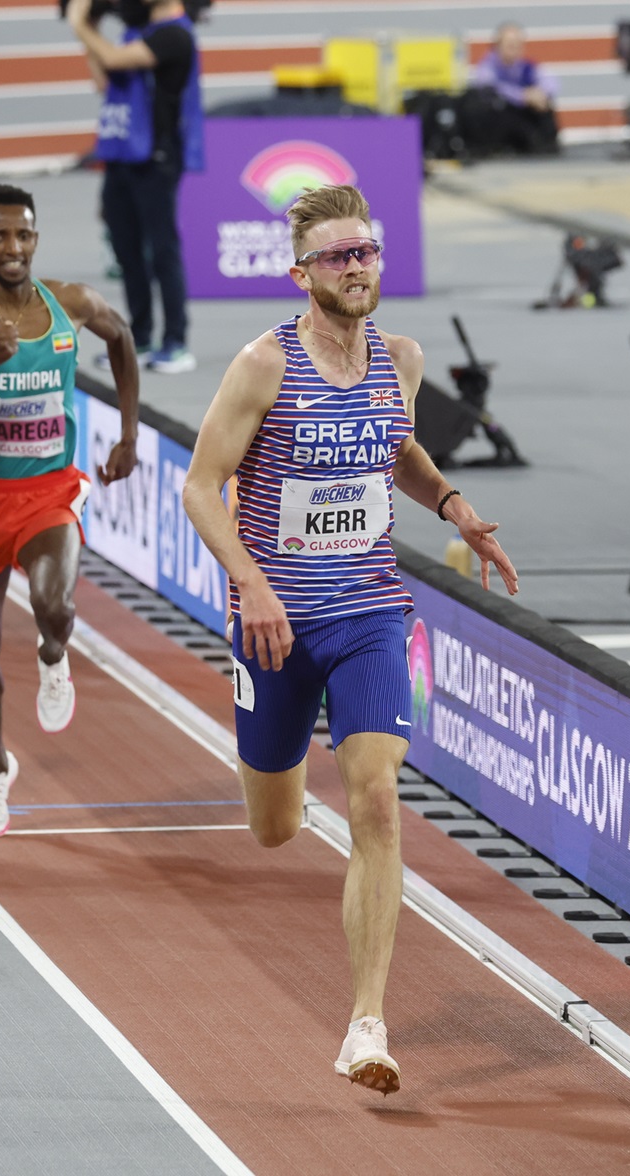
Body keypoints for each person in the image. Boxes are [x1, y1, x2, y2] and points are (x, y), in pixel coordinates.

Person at [179, 184, 518, 1095]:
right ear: (301, 274)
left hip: (371, 612)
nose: (360, 266)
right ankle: (271, 764)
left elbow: (394, 445)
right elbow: (201, 486)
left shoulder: (400, 359)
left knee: (374, 800)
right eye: (339, 256)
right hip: (278, 624)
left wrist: (452, 503)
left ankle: (366, 1024)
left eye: (367, 251)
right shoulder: (264, 366)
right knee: (276, 828)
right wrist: (250, 584)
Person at [0, 186, 141, 835]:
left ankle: (53, 657)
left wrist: (128, 435)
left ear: (35, 239)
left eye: (23, 236)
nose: (12, 248)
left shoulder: (69, 302)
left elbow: (122, 339)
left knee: (56, 604)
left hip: (50, 490)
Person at [68, 0, 203, 375]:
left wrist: (80, 22)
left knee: (162, 250)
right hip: (122, 157)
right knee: (126, 250)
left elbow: (111, 58)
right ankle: (140, 337)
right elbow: (104, 80)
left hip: (157, 158)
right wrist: (89, 29)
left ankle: (176, 341)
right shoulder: (139, 33)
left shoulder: (175, 34)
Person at [467, 22, 560, 156]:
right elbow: (491, 87)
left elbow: (550, 81)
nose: (515, 49)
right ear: (497, 47)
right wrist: (523, 96)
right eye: (510, 45)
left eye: (518, 45)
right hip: (499, 120)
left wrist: (541, 94)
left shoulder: (525, 66)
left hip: (523, 114)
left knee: (545, 104)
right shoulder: (487, 66)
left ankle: (546, 147)